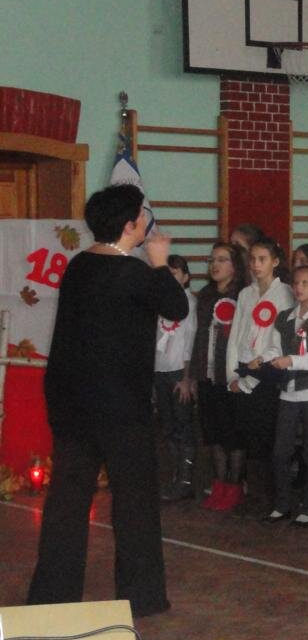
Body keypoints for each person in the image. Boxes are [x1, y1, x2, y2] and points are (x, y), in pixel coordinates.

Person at [28, 184, 188, 617]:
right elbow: (176, 307)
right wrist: (160, 263)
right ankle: (142, 596)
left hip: (72, 403)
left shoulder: (78, 265)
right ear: (130, 224)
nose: (146, 220)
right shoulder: (134, 273)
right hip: (121, 408)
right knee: (135, 502)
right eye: (142, 214)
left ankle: (52, 595)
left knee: (67, 501)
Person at [262, 266, 308, 527]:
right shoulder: (284, 317)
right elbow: (274, 347)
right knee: (281, 451)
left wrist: (289, 360)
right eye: (296, 283)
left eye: (305, 283)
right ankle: (282, 504)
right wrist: (266, 358)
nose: (299, 287)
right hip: (288, 392)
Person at [226, 238, 294, 512]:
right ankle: (253, 494)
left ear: (275, 262)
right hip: (243, 371)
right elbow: (236, 336)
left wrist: (255, 373)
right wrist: (232, 375)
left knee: (265, 436)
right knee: (247, 436)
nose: (256, 264)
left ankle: (269, 497)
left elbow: (280, 340)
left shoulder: (285, 294)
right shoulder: (246, 294)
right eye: (252, 259)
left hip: (267, 372)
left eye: (262, 259)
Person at [191, 243, 248, 510]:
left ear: (235, 265)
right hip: (207, 374)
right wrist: (194, 374)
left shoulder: (244, 295)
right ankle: (218, 484)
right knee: (212, 433)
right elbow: (198, 337)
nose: (215, 265)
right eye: (212, 259)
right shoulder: (204, 296)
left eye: (222, 260)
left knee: (233, 434)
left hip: (232, 376)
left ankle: (235, 486)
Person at [155, 255, 198, 502]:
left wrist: (186, 377)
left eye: (175, 273)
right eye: (167, 272)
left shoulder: (189, 302)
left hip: (178, 371)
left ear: (186, 277)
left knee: (183, 426)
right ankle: (176, 476)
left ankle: (186, 480)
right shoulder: (160, 302)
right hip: (159, 370)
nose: (171, 277)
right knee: (168, 427)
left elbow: (190, 340)